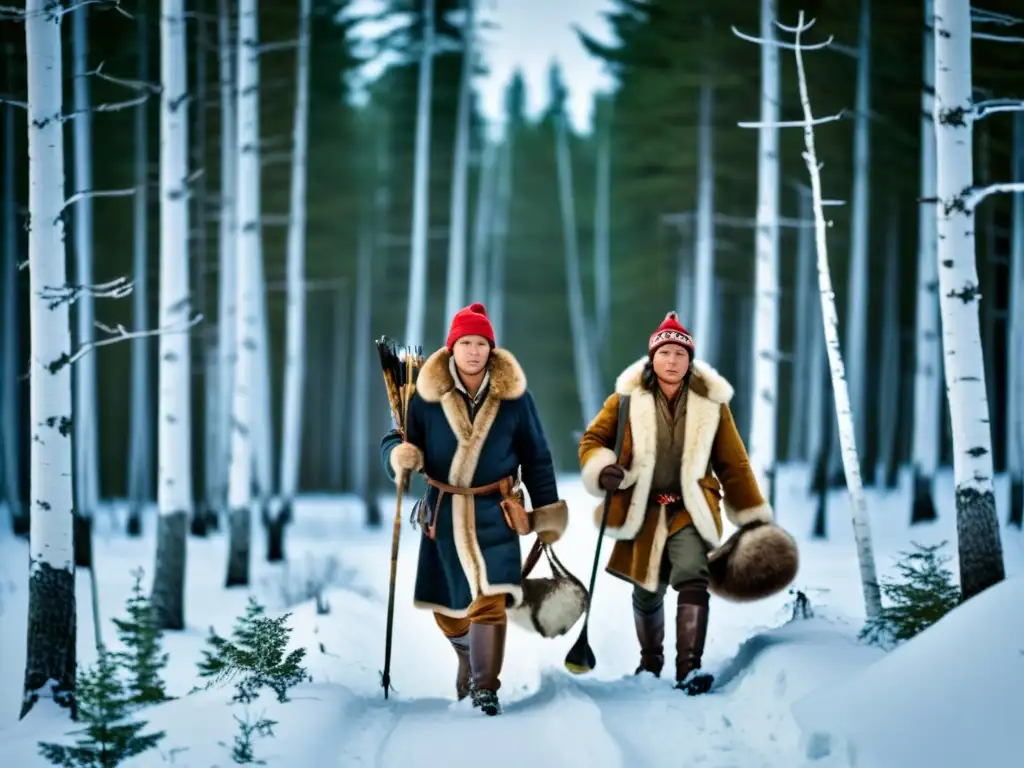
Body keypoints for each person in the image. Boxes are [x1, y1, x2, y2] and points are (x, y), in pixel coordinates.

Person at [380, 302, 569, 716]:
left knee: (491, 598)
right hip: (443, 512)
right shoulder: (425, 398)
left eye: (480, 343)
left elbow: (537, 457)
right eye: (465, 342)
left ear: (490, 348)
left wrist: (546, 513)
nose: (473, 351)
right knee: (449, 609)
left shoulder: (516, 398)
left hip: (497, 510)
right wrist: (399, 455)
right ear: (452, 348)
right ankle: (466, 653)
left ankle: (485, 689)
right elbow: (396, 440)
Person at [577, 311, 773, 694]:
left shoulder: (711, 405)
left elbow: (733, 462)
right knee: (647, 588)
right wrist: (603, 470)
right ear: (653, 358)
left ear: (690, 360)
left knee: (692, 573)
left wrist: (751, 513)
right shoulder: (625, 401)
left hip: (691, 507)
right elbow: (592, 441)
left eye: (680, 355)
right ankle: (651, 662)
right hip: (642, 508)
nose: (672, 361)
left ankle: (689, 669)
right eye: (665, 353)